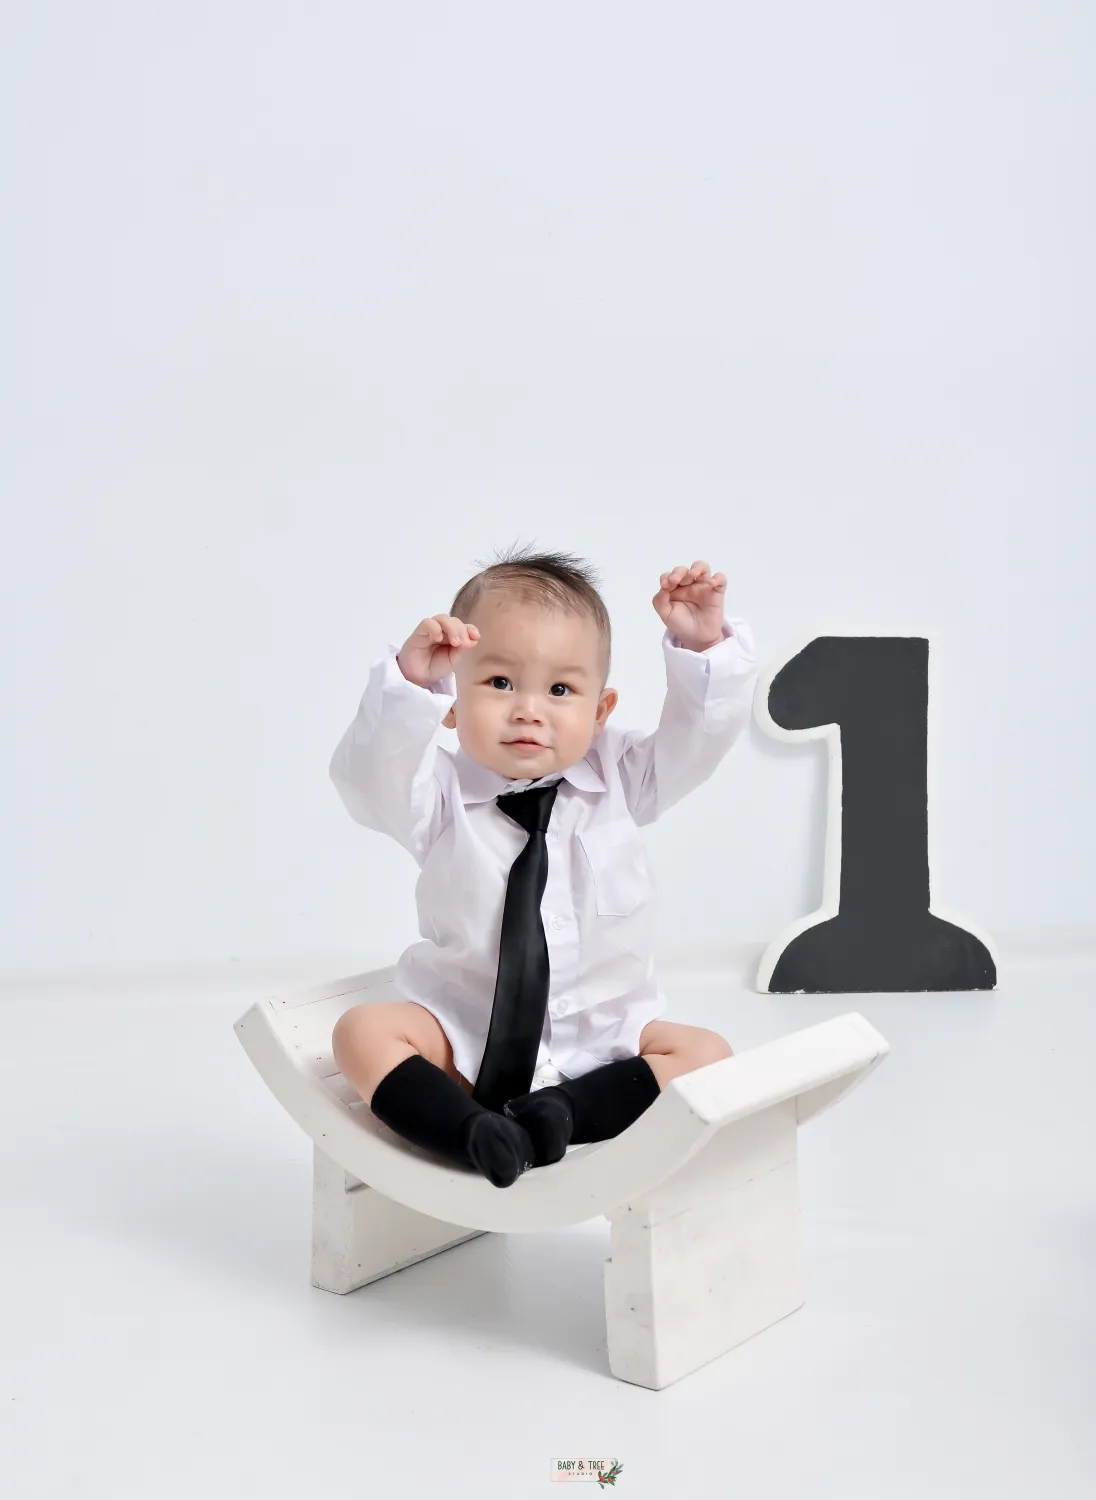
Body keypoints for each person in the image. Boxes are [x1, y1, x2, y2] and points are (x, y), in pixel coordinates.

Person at [328, 545, 758, 1188]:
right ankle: (472, 1132)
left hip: (605, 1042)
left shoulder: (624, 778)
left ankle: (563, 1113)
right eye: (500, 683)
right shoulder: (437, 796)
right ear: (451, 703)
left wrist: (702, 649)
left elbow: (698, 741)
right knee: (361, 1032)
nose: (529, 709)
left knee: (707, 1054)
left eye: (560, 690)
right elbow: (369, 780)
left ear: (600, 711)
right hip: (463, 1033)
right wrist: (409, 686)